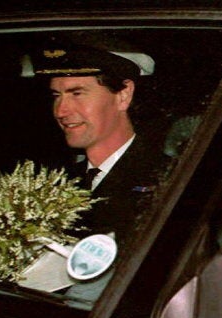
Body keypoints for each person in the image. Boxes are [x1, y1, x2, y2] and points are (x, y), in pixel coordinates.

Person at [31, 44, 171, 247]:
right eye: (56, 96)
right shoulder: (55, 181)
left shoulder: (168, 179)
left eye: (77, 93)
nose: (61, 111)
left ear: (123, 95)